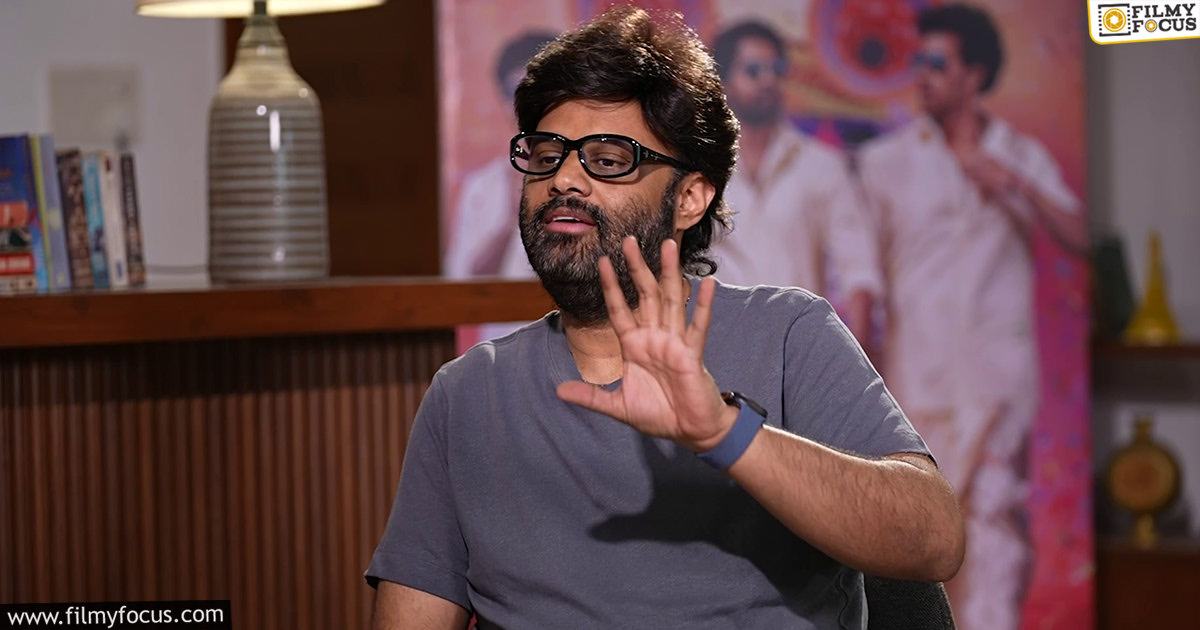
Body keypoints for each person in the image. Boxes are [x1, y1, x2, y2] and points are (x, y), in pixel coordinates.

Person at [368, 6, 963, 628]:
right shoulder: (467, 394)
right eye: (545, 156)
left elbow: (934, 541)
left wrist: (726, 434)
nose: (564, 178)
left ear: (690, 198)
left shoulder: (789, 334)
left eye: (607, 159)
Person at [854, 5, 1088, 629]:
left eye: (938, 64)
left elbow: (1081, 235)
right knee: (921, 529)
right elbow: (862, 274)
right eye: (920, 62)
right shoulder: (885, 163)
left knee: (995, 522)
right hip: (917, 375)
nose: (924, 76)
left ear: (974, 75)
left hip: (999, 372)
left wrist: (1015, 186)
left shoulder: (1019, 154)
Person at [708, 21, 880, 345]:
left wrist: (853, 362)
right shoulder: (699, 167)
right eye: (754, 70)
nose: (768, 80)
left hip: (797, 349)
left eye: (776, 69)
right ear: (722, 80)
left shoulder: (821, 165)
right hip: (716, 350)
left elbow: (858, 270)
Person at [442, 30, 558, 280]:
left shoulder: (591, 176)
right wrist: (510, 220)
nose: (530, 108)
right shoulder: (482, 187)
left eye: (541, 95)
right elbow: (463, 279)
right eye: (517, 95)